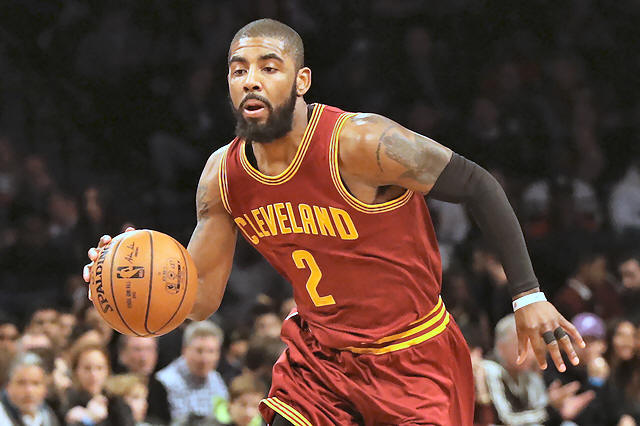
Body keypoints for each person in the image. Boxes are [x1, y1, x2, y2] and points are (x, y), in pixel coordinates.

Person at [85, 18, 585, 425]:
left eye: (269, 67)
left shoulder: (360, 143)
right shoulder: (223, 176)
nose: (250, 80)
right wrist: (124, 279)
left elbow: (477, 183)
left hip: (413, 356)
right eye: (238, 70)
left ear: (301, 81)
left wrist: (528, 295)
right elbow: (200, 298)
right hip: (320, 358)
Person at [480, 314, 594, 425]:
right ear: (501, 347)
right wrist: (550, 409)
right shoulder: (490, 369)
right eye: (523, 345)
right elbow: (505, 420)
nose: (531, 354)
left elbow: (537, 409)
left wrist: (555, 405)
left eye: (532, 346)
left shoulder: (526, 373)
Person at [153, 320, 228, 423]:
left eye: (211, 351)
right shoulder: (163, 382)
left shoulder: (216, 380)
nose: (205, 359)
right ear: (184, 350)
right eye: (199, 351)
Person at [0, 352, 60, 426]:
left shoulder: (48, 415)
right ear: (8, 386)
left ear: (45, 388)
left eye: (35, 383)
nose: (29, 390)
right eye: (21, 383)